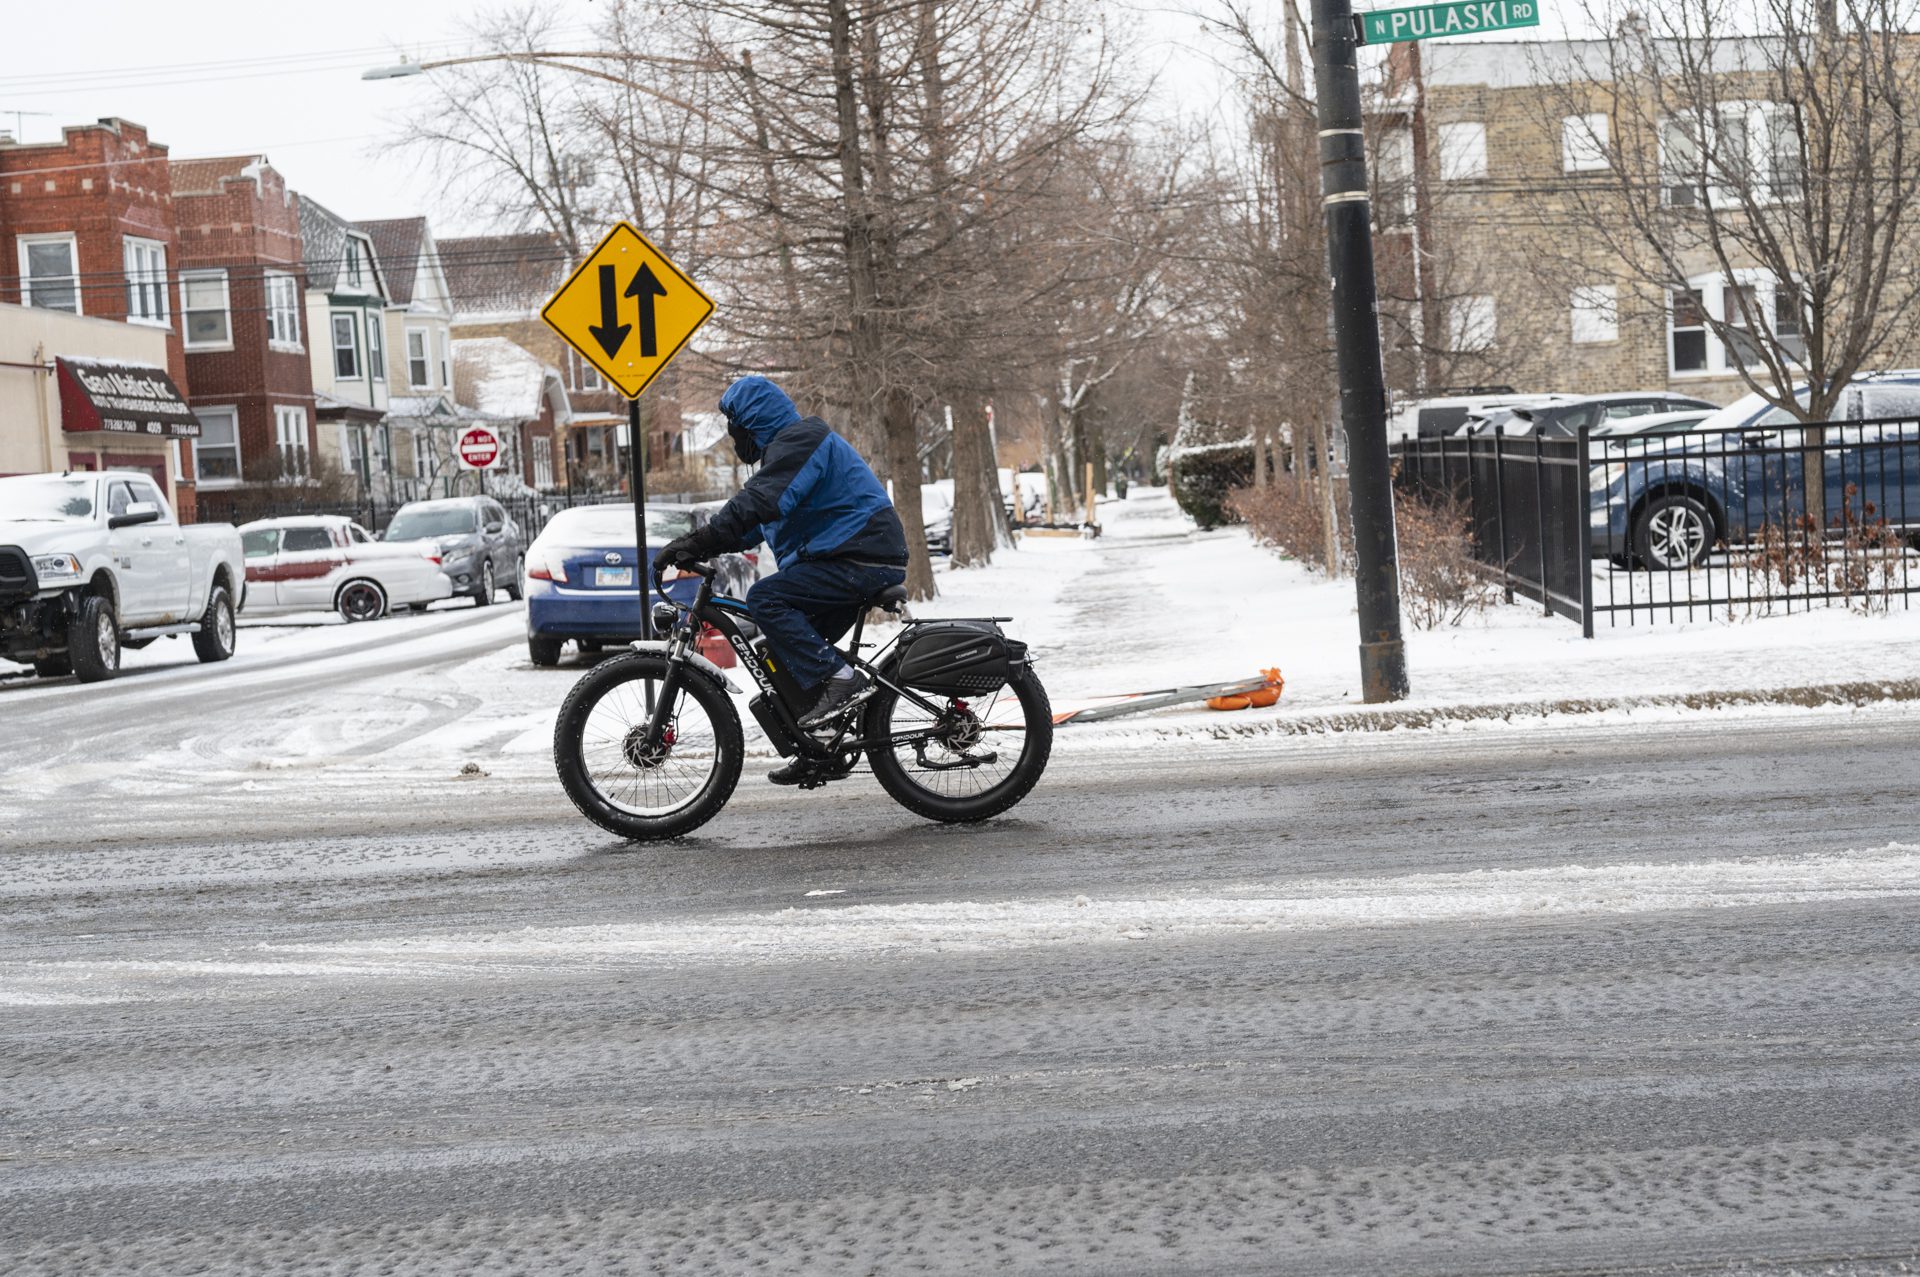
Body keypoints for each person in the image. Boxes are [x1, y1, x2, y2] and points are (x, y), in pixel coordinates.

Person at [653, 376, 908, 783]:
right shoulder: (785, 452)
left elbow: (757, 503)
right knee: (781, 651)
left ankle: (842, 682)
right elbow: (750, 526)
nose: (732, 436)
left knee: (766, 599)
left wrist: (698, 539)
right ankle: (820, 747)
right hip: (852, 555)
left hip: (861, 555)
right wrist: (695, 547)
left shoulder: (801, 442)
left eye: (734, 426)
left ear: (752, 422)